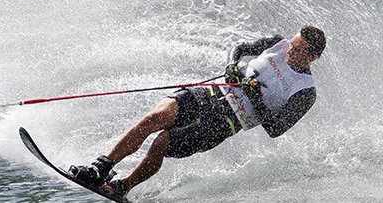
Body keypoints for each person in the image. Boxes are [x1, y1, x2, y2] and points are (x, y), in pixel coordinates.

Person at [69, 25, 327, 197]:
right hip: (211, 93)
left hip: (225, 122)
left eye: (298, 50)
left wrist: (256, 99)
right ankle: (99, 168)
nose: (290, 51)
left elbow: (276, 129)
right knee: (154, 118)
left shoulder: (305, 91)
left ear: (312, 57)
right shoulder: (277, 44)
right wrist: (232, 66)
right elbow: (239, 49)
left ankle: (121, 187)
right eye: (293, 44)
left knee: (162, 142)